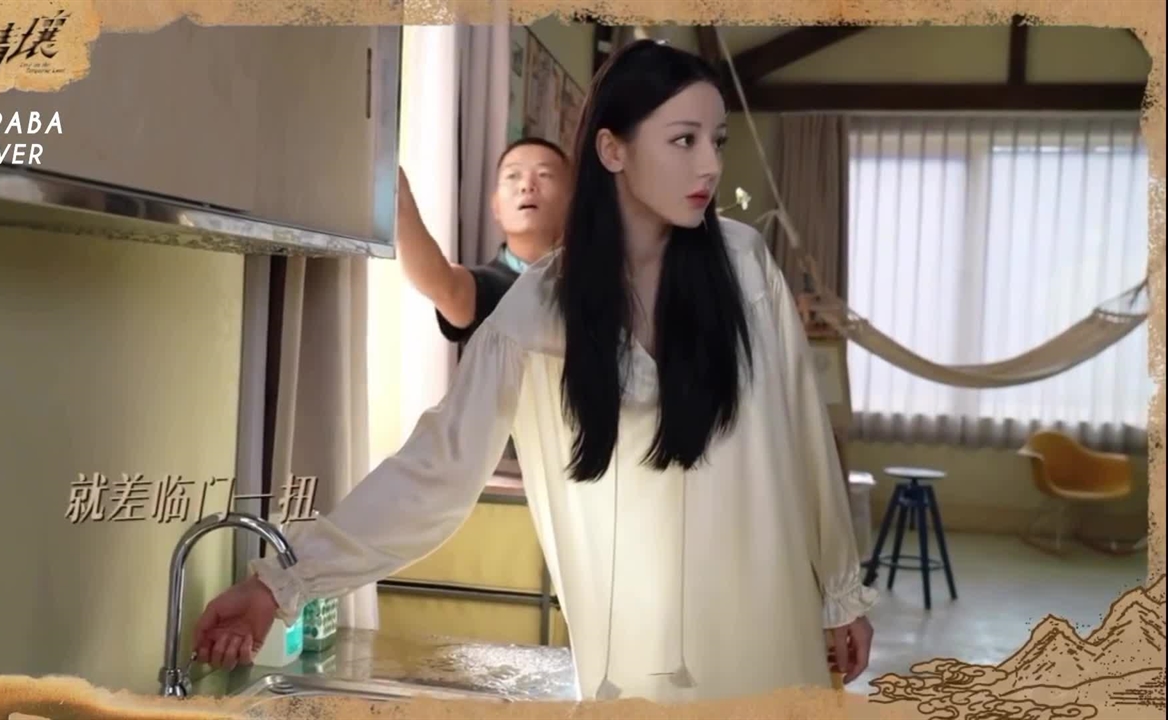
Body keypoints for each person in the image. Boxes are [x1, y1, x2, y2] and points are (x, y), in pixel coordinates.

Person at [192, 39, 876, 703]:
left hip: (769, 634)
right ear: (612, 150)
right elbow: (436, 470)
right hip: (639, 663)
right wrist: (279, 586)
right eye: (683, 140)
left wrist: (841, 592)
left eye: (717, 141)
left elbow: (803, 437)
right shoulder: (540, 308)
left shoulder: (746, 267)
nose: (709, 165)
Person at [395, 137, 570, 345]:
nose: (526, 185)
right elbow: (441, 284)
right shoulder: (485, 286)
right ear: (496, 207)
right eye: (513, 175)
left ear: (572, 201)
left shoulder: (594, 285)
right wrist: (400, 200)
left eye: (544, 174)